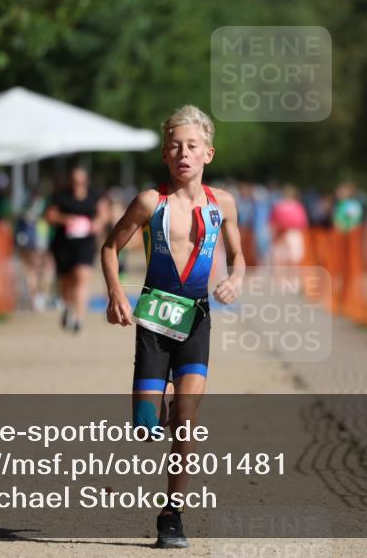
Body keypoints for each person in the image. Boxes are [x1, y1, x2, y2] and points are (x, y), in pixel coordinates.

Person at [101, 104, 245, 549]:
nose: (184, 153)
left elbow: (239, 256)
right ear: (166, 154)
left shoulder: (223, 204)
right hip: (155, 320)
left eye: (192, 146)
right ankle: (155, 406)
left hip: (197, 318)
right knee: (147, 424)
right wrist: (116, 293)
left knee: (186, 419)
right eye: (176, 147)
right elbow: (110, 247)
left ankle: (172, 514)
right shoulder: (150, 202)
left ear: (208, 154)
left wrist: (236, 279)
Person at [47, 167, 108, 333]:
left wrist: (97, 223)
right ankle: (67, 306)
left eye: (81, 180)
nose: (78, 184)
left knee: (82, 277)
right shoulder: (61, 195)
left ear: (86, 180)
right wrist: (65, 219)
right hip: (64, 243)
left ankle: (79, 320)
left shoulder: (95, 195)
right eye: (75, 180)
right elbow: (50, 215)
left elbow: (103, 214)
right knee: (66, 280)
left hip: (86, 242)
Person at [15, 188, 54, 311]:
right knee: (41, 268)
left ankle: (36, 299)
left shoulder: (25, 207)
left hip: (29, 242)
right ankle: (39, 297)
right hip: (38, 241)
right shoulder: (43, 206)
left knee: (31, 269)